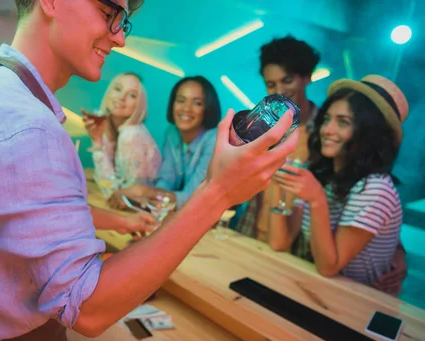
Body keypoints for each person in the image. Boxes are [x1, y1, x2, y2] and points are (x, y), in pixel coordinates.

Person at [0, 0, 298, 341]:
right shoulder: (24, 126)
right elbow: (88, 308)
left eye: (124, 20)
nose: (121, 36)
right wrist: (217, 194)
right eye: (109, 10)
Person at [268, 75, 407, 288]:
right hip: (322, 293)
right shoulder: (325, 176)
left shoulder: (375, 188)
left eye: (343, 122)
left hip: (359, 305)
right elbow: (280, 242)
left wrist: (316, 199)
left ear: (369, 133)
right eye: (326, 119)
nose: (327, 130)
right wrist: (278, 182)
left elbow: (329, 267)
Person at [236, 35, 320, 246]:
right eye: (271, 85)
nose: (280, 91)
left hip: (297, 250)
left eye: (287, 80)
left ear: (307, 77)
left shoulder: (325, 133)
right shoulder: (262, 127)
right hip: (250, 234)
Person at [109, 75, 222, 210]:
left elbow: (195, 197)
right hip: (181, 215)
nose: (186, 108)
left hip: (215, 222)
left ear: (208, 108)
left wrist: (146, 193)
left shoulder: (215, 141)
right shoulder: (172, 133)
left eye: (197, 103)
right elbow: (166, 179)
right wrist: (150, 198)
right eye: (180, 100)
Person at [83, 72, 161, 187]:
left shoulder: (131, 135)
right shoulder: (109, 127)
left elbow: (119, 191)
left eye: (132, 95)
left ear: (139, 105)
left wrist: (97, 145)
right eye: (118, 89)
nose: (121, 97)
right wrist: (98, 139)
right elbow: (109, 181)